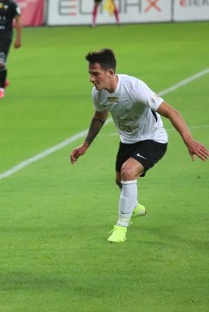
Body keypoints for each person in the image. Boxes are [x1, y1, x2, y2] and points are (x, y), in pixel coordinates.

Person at [69, 48, 208, 243]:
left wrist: (189, 141)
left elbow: (172, 112)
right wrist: (85, 145)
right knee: (120, 181)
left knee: (128, 172)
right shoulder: (98, 94)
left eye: (95, 74)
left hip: (153, 138)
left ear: (110, 73)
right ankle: (133, 206)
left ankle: (121, 227)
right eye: (90, 74)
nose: (91, 79)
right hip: (128, 140)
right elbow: (99, 118)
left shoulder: (135, 88)